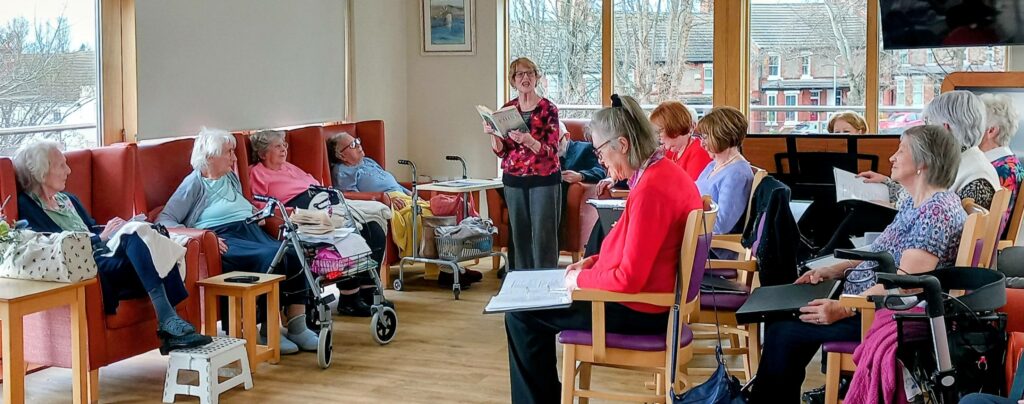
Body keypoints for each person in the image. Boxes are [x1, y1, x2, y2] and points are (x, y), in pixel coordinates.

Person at [504, 94, 703, 403]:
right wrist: (591, 262)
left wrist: (579, 281)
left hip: (638, 309)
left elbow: (628, 279)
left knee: (520, 314)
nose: (600, 160)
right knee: (527, 310)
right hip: (643, 300)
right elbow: (630, 247)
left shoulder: (652, 190)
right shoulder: (660, 174)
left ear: (622, 145)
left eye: (600, 151)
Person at [750, 125, 967, 403]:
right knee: (786, 314)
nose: (892, 157)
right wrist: (831, 269)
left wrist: (844, 307)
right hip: (866, 302)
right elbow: (878, 251)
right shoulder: (918, 203)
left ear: (923, 163)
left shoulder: (936, 212)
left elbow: (904, 285)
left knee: (783, 329)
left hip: (880, 315)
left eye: (901, 150)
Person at [13, 140, 211, 353]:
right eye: (61, 165)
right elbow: (54, 248)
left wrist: (110, 230)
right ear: (42, 171)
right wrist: (103, 237)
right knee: (135, 239)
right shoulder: (27, 207)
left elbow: (91, 228)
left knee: (144, 236)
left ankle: (170, 324)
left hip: (107, 255)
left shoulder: (67, 200)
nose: (68, 171)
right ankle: (168, 320)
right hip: (91, 265)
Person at [158, 127, 320, 355]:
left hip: (250, 230)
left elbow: (239, 203)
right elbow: (165, 220)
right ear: (210, 156)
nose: (235, 158)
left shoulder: (230, 177)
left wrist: (257, 213)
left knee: (293, 249)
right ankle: (268, 330)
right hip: (224, 237)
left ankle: (297, 325)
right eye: (228, 153)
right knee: (270, 257)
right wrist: (205, 239)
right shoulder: (194, 183)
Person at [248, 129, 387, 317]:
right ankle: (350, 297)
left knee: (374, 230)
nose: (283, 149)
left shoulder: (290, 167)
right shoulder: (257, 173)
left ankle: (368, 292)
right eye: (277, 146)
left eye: (284, 145)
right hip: (303, 215)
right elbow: (258, 204)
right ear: (263, 152)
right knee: (349, 234)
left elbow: (314, 184)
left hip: (324, 205)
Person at [860, 90, 1000, 209]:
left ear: (944, 129)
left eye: (927, 124)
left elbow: (938, 225)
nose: (924, 130)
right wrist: (888, 185)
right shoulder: (962, 160)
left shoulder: (975, 180)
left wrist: (890, 208)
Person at [484, 57, 561, 270]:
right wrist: (493, 134)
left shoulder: (548, 109)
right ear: (513, 80)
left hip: (544, 179)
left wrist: (530, 141)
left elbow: (552, 152)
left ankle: (545, 285)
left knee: (543, 235)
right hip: (514, 179)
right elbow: (501, 151)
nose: (525, 78)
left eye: (530, 73)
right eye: (520, 74)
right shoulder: (507, 109)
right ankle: (519, 284)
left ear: (536, 77)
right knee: (519, 236)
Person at [694, 106, 754, 235]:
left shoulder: (737, 175)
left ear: (722, 136)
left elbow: (720, 226)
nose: (701, 144)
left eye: (705, 137)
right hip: (696, 234)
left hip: (711, 247)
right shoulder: (712, 166)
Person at [980, 93, 1023, 238]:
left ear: (991, 131)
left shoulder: (1000, 170)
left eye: (976, 124)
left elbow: (989, 231)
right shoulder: (1009, 163)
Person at [326, 132, 411, 196]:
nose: (358, 146)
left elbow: (393, 185)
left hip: (403, 198)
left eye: (357, 141)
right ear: (342, 156)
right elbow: (351, 197)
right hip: (388, 205)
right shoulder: (342, 171)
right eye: (352, 145)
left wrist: (411, 194)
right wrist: (385, 199)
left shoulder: (368, 161)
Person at [651, 100, 711, 179]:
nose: (658, 136)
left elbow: (693, 190)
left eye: (660, 131)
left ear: (674, 129)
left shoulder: (699, 152)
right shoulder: (670, 151)